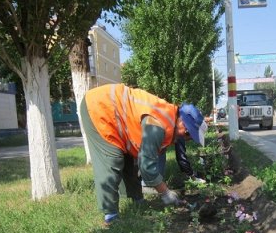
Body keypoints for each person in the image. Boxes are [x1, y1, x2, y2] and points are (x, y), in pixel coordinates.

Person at [80, 83, 208, 224]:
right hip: (99, 109)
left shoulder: (169, 119)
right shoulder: (158, 123)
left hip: (114, 114)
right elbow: (147, 166)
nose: (187, 139)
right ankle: (111, 216)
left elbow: (144, 158)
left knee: (129, 161)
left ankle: (138, 201)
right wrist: (165, 193)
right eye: (189, 135)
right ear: (183, 124)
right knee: (112, 160)